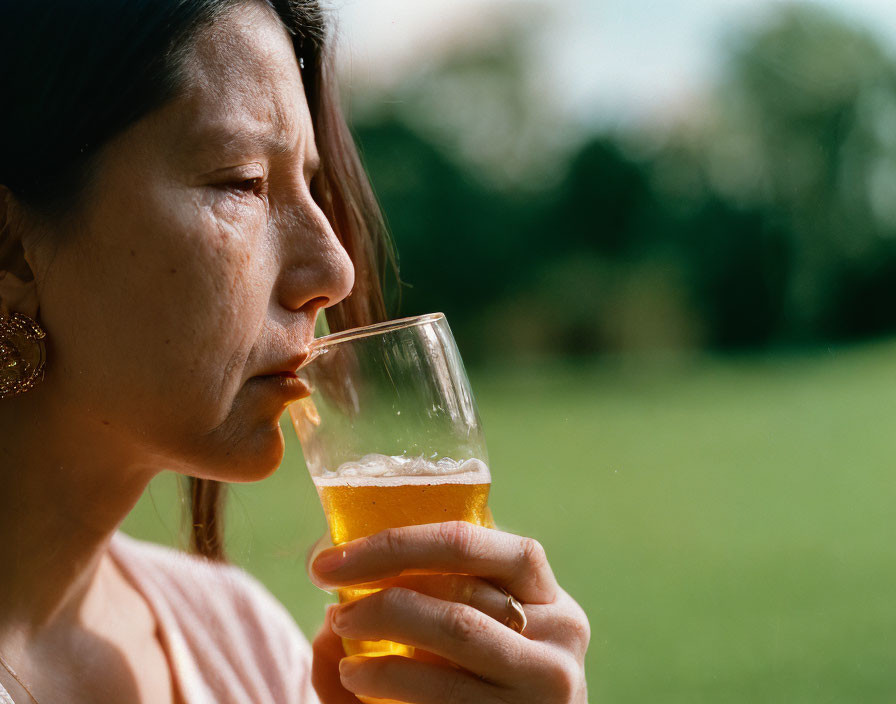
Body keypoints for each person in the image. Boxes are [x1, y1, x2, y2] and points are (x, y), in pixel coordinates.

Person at [0, 1, 590, 702]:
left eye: (310, 186)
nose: (335, 268)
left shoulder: (247, 648)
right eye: (244, 182)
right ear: (14, 254)